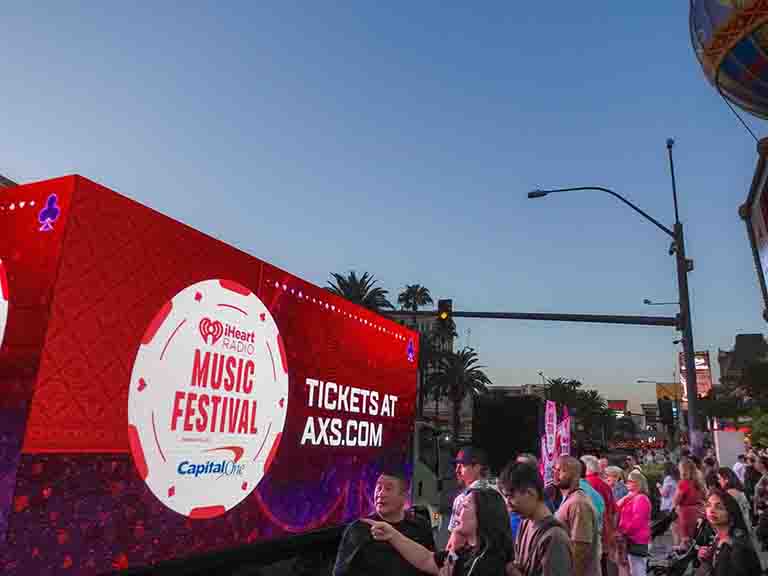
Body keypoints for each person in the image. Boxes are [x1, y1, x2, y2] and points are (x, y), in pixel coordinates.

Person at [365, 487, 512, 576]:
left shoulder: (486, 564)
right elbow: (427, 559)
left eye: (465, 507)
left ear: (482, 514)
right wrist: (392, 534)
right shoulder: (466, 553)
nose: (458, 512)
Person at [333, 470, 435, 576]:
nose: (380, 494)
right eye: (378, 488)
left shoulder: (420, 526)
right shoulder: (358, 529)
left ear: (404, 496)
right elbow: (340, 573)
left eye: (388, 489)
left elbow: (432, 566)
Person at [498, 462, 573, 576]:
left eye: (510, 496)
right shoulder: (525, 524)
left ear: (530, 493)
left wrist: (512, 571)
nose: (508, 504)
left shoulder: (555, 537)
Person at [696, 488, 761, 576]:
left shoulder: (737, 547)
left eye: (719, 507)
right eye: (708, 505)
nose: (711, 510)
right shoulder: (719, 538)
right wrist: (708, 559)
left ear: (730, 513)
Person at [553, 456, 600, 576]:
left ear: (575, 474)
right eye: (555, 469)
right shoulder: (570, 499)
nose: (556, 474)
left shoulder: (578, 503)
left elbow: (580, 548)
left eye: (562, 470)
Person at [447, 447, 493, 551]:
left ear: (477, 467)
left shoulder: (462, 499)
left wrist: (446, 562)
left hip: (469, 559)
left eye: (462, 465)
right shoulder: (498, 493)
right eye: (456, 465)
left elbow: (453, 542)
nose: (457, 470)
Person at [582, 455, 616, 576]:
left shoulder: (585, 485)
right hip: (605, 531)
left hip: (593, 533)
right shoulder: (605, 485)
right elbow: (612, 511)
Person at [615, 470, 651, 576]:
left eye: (630, 481)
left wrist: (624, 532)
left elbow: (637, 521)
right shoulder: (632, 497)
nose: (627, 483)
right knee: (631, 568)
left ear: (638, 483)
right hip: (630, 538)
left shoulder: (641, 498)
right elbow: (615, 508)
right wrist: (626, 497)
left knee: (637, 569)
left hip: (636, 539)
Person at [673, 457, 705, 548]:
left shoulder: (683, 483)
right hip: (699, 511)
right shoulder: (698, 482)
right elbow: (704, 496)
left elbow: (676, 501)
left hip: (686, 514)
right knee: (697, 541)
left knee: (686, 543)